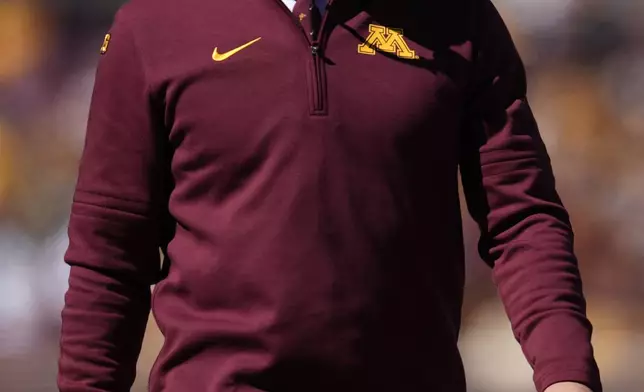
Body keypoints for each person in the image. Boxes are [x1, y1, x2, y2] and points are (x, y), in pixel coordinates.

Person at [58, 0, 602, 391]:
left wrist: (566, 373)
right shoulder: (154, 23)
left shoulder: (457, 19)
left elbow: (522, 218)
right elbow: (109, 254)